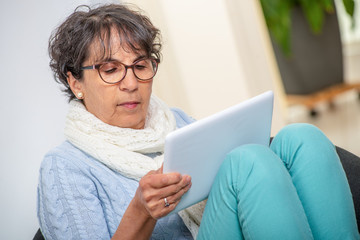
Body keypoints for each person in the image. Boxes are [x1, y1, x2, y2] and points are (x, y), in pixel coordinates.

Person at [37, 3, 359, 240]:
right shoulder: (64, 167)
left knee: (301, 138)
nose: (131, 82)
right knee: (248, 162)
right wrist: (141, 210)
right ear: (76, 82)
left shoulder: (173, 120)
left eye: (140, 65)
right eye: (110, 69)